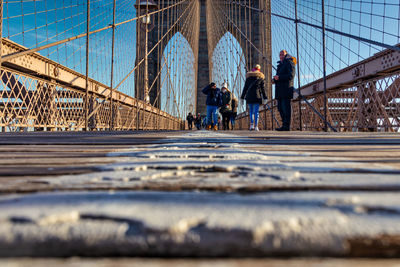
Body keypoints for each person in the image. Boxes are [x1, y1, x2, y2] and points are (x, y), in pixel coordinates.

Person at [273, 50, 296, 131]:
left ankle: (286, 126)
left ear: (286, 55)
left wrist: (279, 77)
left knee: (286, 108)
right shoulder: (280, 65)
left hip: (286, 89)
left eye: (283, 54)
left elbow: (291, 76)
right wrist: (275, 80)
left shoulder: (289, 62)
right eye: (280, 54)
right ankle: (284, 125)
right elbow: (279, 76)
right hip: (279, 91)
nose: (281, 56)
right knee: (280, 108)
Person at [240, 64, 267, 131]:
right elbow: (263, 89)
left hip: (249, 97)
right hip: (257, 97)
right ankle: (256, 126)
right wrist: (265, 97)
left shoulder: (248, 79)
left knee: (251, 111)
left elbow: (245, 88)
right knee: (256, 112)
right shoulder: (260, 79)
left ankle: (251, 125)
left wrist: (242, 97)